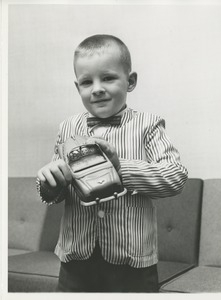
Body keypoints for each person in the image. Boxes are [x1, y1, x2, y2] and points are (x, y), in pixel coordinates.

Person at [36, 34, 188, 293]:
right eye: (87, 82)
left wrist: (120, 168)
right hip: (75, 260)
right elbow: (55, 194)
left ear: (130, 82)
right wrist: (50, 182)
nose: (96, 88)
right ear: (78, 87)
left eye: (107, 78)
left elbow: (175, 177)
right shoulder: (67, 127)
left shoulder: (149, 125)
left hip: (133, 262)